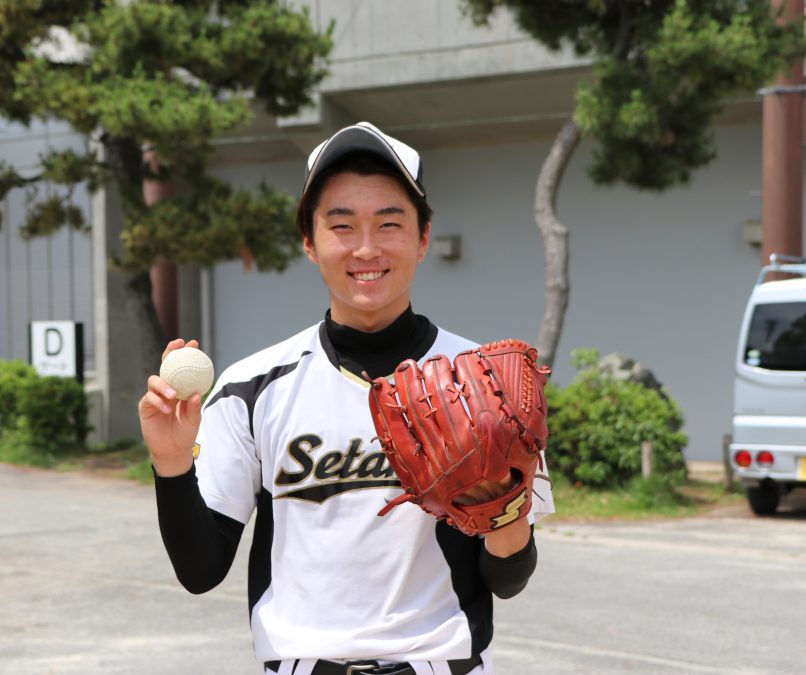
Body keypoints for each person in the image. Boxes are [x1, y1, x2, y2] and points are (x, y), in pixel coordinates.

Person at [139, 122, 554, 675]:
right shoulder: (252, 387)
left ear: (423, 238)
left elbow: (508, 578)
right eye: (341, 225)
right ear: (310, 243)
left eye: (389, 223)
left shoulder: (486, 383)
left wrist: (499, 503)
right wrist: (171, 465)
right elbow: (201, 571)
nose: (366, 248)